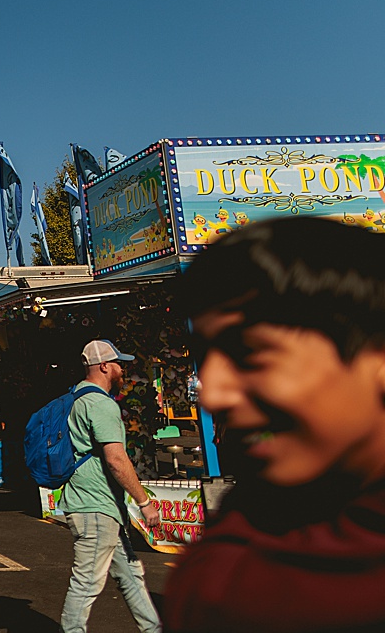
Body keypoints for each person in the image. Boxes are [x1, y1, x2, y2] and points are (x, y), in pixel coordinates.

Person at [165, 217, 385, 633]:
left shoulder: (234, 580)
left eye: (249, 353)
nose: (213, 394)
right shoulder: (231, 561)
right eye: (206, 355)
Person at [58, 339, 163, 633]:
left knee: (131, 574)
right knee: (87, 583)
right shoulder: (101, 404)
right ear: (104, 366)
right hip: (94, 507)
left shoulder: (76, 397)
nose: (122, 370)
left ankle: (153, 628)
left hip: (99, 506)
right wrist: (144, 502)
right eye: (118, 364)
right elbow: (116, 460)